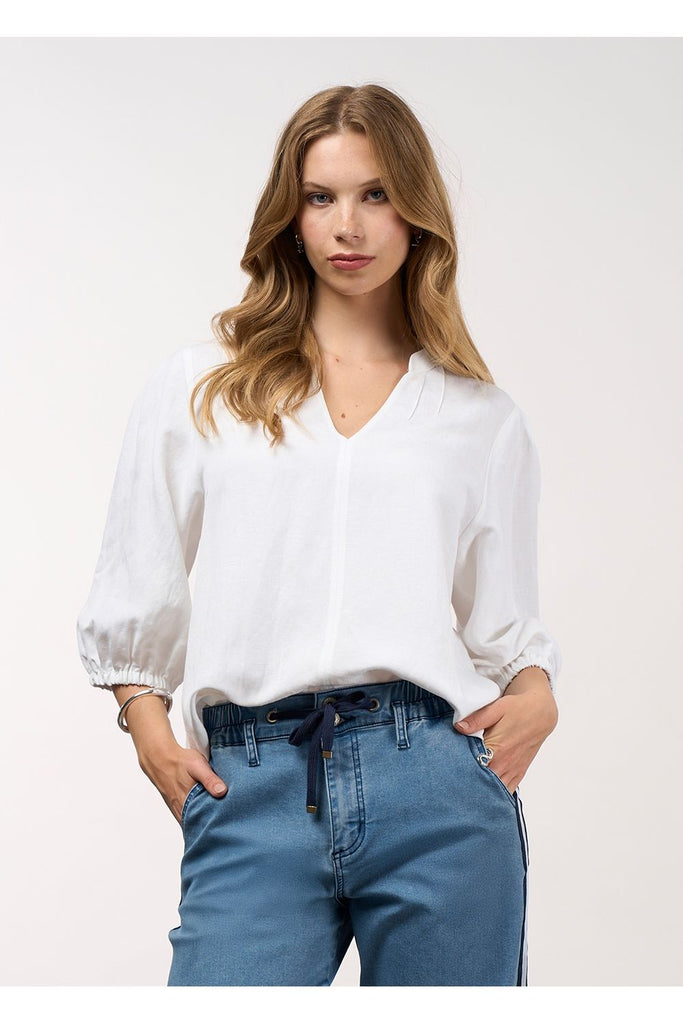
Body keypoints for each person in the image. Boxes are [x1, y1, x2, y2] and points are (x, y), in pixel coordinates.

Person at [76, 83, 561, 987]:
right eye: (322, 196)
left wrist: (537, 691)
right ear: (289, 217)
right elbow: (134, 586)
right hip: (253, 784)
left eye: (377, 194)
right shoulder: (202, 388)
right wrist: (144, 722)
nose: (349, 225)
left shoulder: (479, 418)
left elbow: (500, 621)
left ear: (416, 216)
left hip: (439, 790)